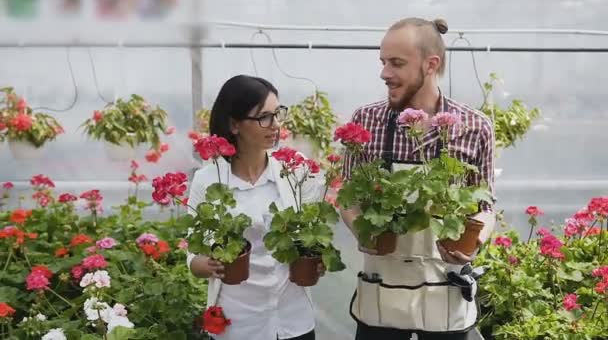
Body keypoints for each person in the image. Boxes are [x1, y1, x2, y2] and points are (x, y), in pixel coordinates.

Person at [340, 18, 496, 340]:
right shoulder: (366, 120)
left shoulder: (474, 126)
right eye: (383, 62)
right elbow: (347, 196)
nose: (385, 73)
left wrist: (474, 242)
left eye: (396, 63)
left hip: (444, 291)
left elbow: (485, 205)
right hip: (381, 291)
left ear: (431, 64)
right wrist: (360, 228)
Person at [186, 75, 324, 340]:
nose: (275, 125)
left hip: (293, 320)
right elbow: (193, 254)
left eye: (278, 114)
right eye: (264, 117)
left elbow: (311, 239)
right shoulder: (208, 180)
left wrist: (316, 261)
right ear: (234, 124)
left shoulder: (295, 170)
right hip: (238, 323)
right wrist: (206, 265)